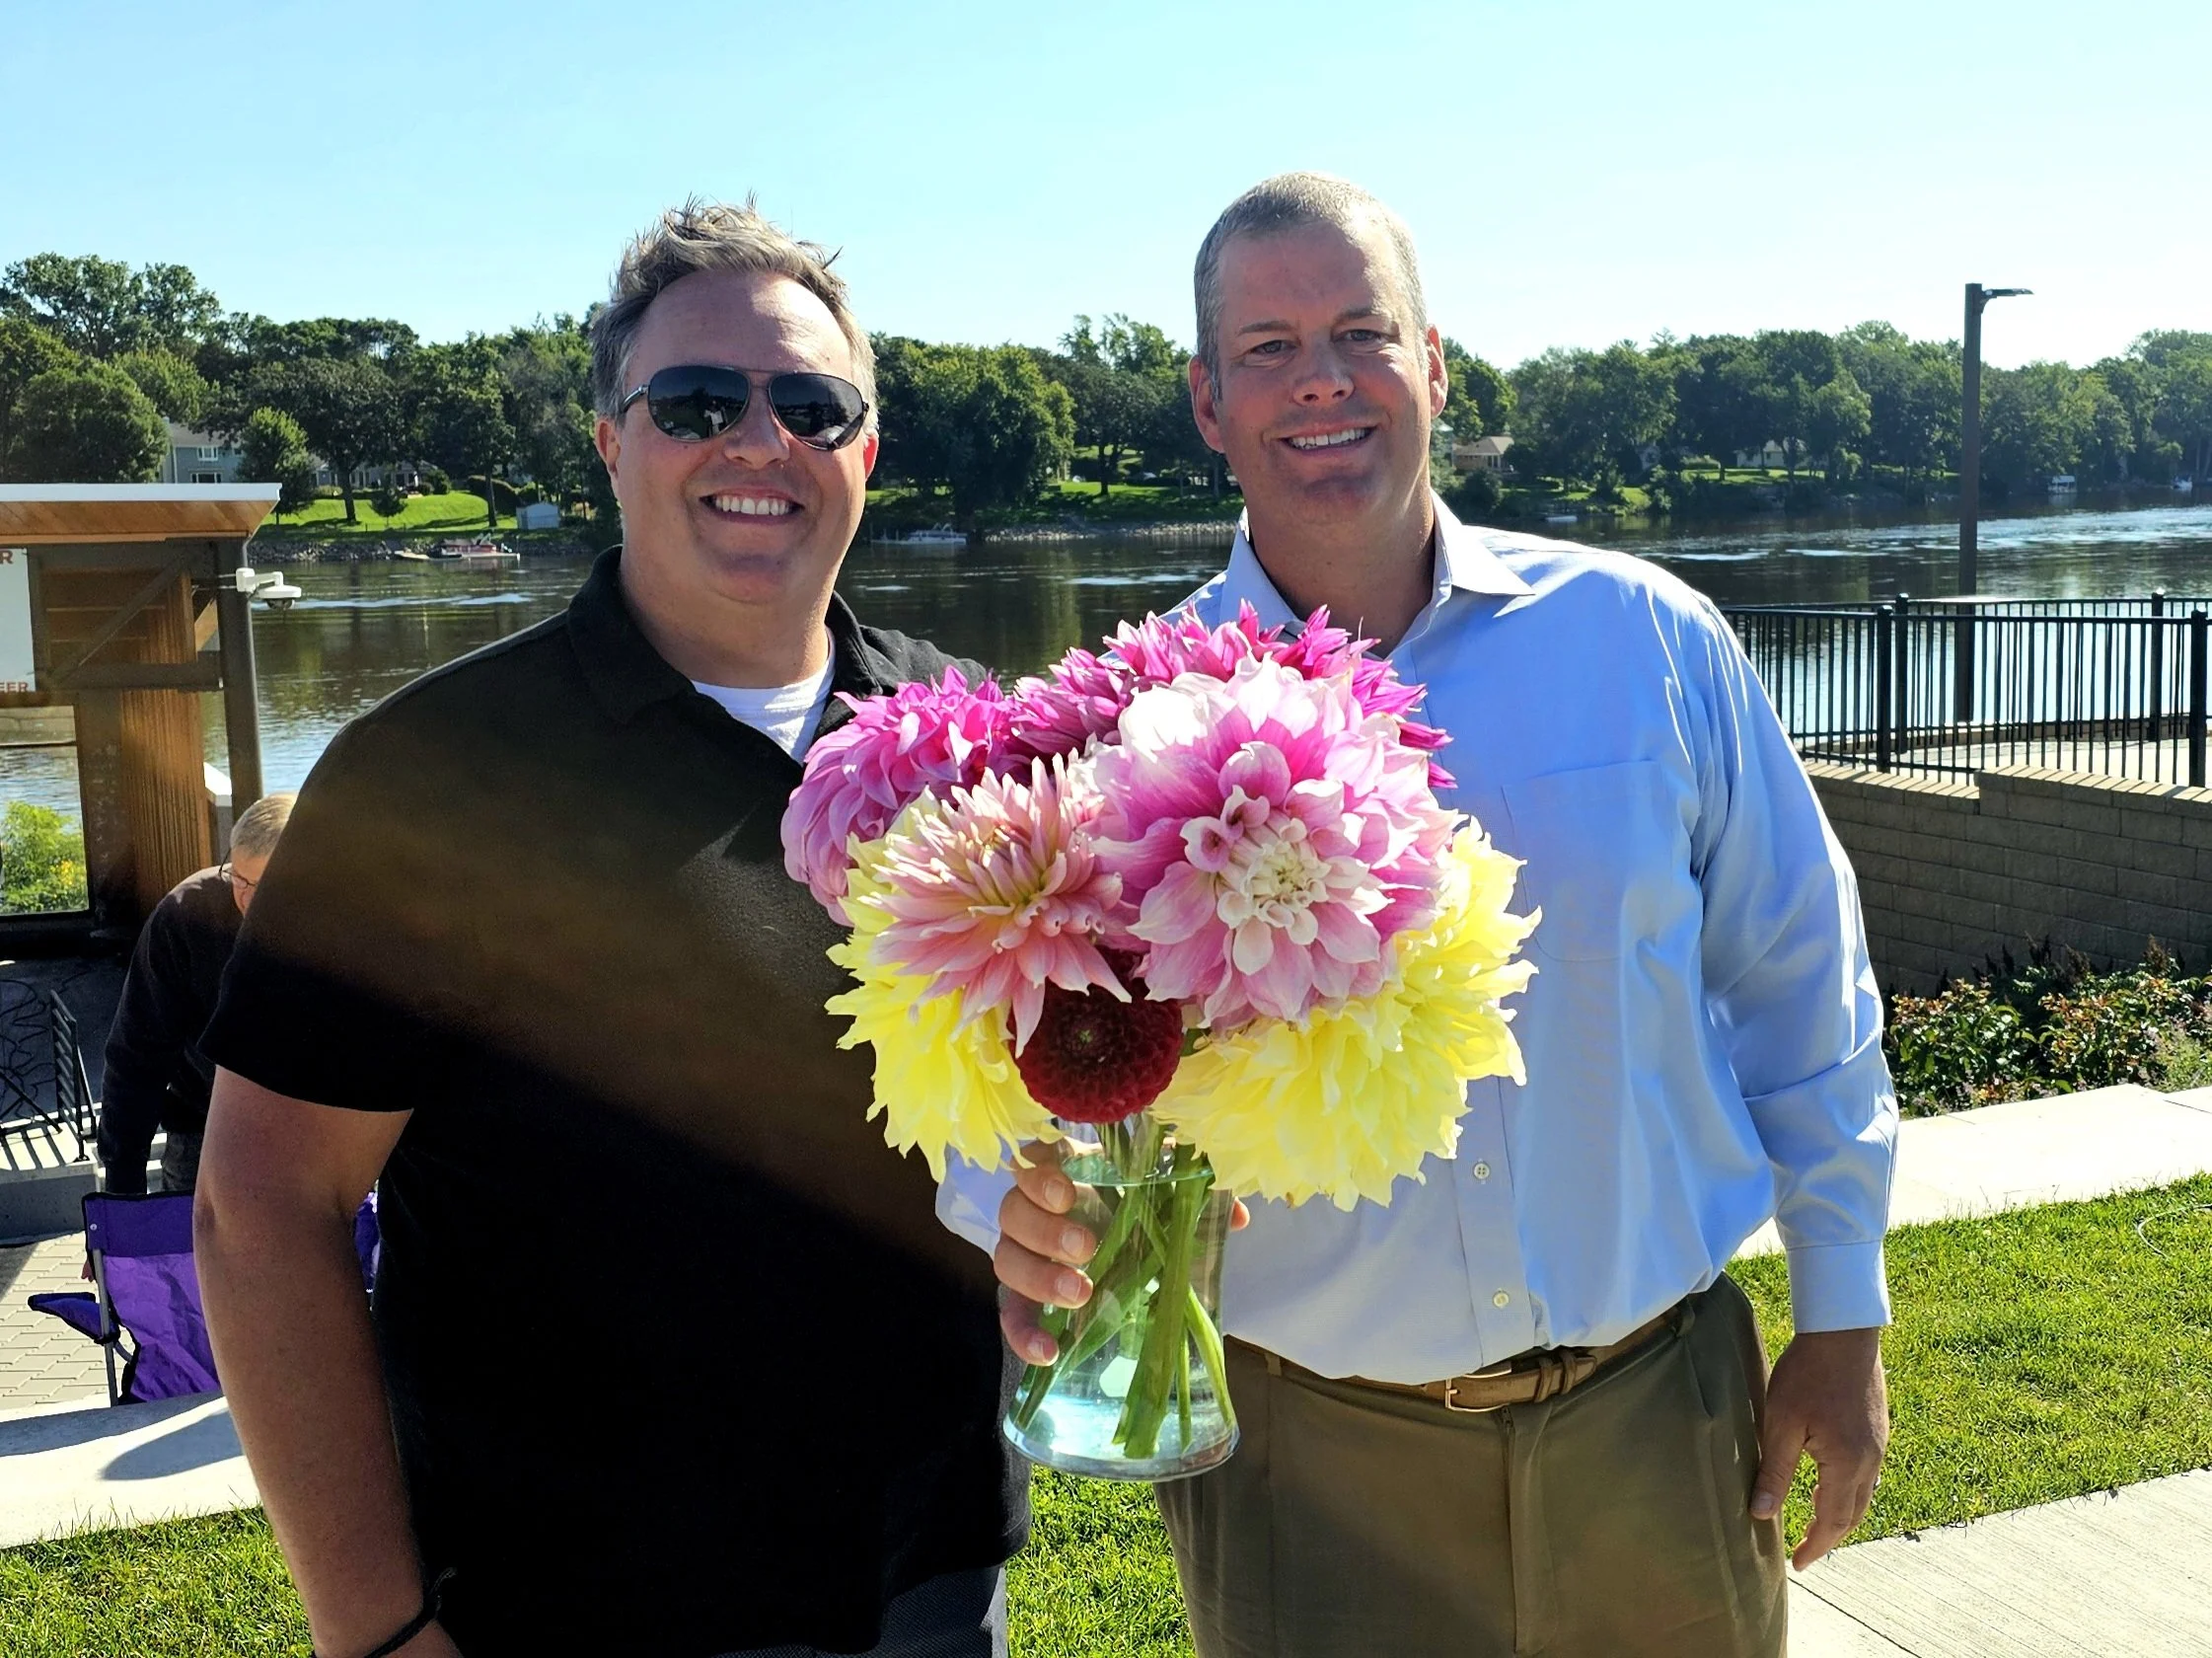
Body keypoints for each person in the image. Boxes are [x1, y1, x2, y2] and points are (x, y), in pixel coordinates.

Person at [960, 173, 1896, 1658]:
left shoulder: (1642, 640)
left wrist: (1842, 1315)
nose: (1319, 379)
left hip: (1654, 1422)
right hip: (1309, 1468)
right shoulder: (1115, 726)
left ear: (1433, 363)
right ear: (1205, 403)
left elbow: (1800, 980)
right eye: (1265, 347)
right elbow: (990, 1065)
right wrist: (1009, 1211)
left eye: (1359, 330)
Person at [195, 201, 1024, 1658]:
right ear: (610, 442)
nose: (757, 442)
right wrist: (375, 1634)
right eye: (697, 401)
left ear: (866, 453)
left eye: (810, 405)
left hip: (936, 1579)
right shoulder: (439, 774)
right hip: (575, 1608)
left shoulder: (965, 734)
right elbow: (261, 1209)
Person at [97, 791, 295, 1195]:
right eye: (238, 878)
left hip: (323, 1134)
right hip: (201, 1133)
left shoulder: (349, 924)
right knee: (186, 1257)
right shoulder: (187, 915)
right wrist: (120, 1197)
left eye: (265, 886)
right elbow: (136, 1057)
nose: (247, 899)